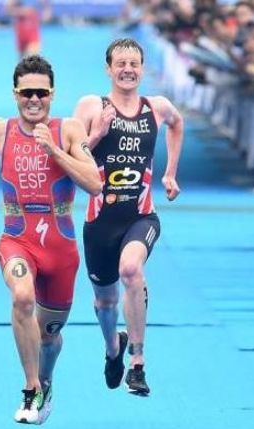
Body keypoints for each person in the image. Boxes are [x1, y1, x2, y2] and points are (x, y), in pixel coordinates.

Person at [0, 54, 102, 424]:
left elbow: (94, 184)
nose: (34, 100)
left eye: (41, 92)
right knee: (22, 297)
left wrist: (54, 151)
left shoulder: (68, 130)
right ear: (15, 94)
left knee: (50, 337)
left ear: (52, 94)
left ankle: (46, 381)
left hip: (61, 249)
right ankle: (30, 390)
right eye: (27, 93)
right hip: (17, 239)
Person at [73, 38, 184, 396]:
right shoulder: (91, 105)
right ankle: (113, 349)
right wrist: (97, 134)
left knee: (132, 271)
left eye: (134, 63)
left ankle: (138, 364)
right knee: (105, 303)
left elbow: (177, 124)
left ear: (143, 67)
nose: (127, 70)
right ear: (108, 69)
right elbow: (71, 155)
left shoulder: (157, 107)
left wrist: (170, 173)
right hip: (99, 223)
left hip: (141, 217)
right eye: (120, 63)